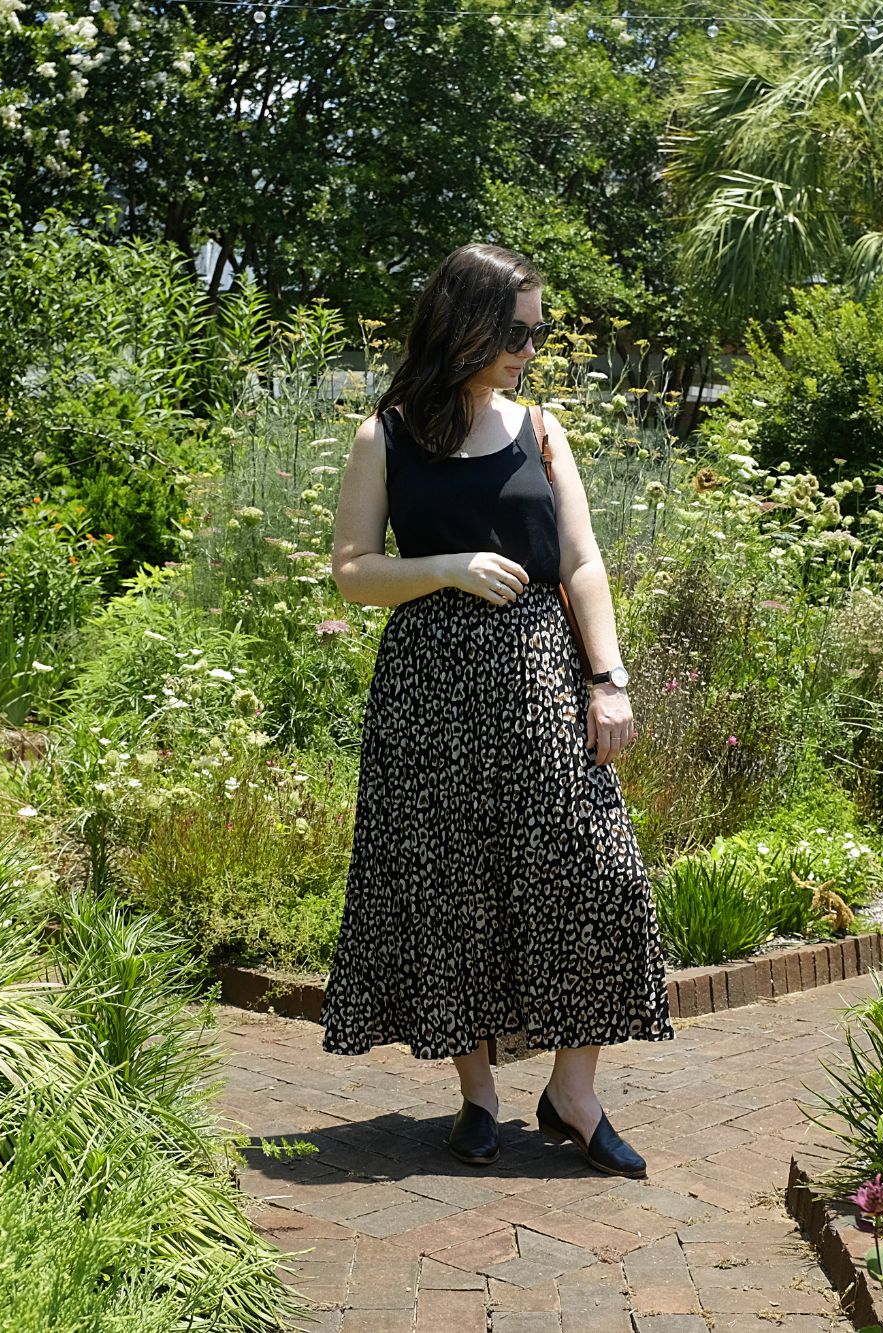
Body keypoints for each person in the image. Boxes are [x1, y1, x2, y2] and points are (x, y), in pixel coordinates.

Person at [319, 242, 674, 1179]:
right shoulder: (384, 436)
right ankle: (478, 1094)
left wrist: (610, 679)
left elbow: (583, 563)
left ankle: (573, 1091)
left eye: (537, 330)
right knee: (450, 888)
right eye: (517, 330)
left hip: (542, 682)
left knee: (598, 873)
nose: (531, 345)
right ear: (465, 324)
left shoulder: (542, 431)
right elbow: (351, 572)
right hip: (427, 696)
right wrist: (446, 567)